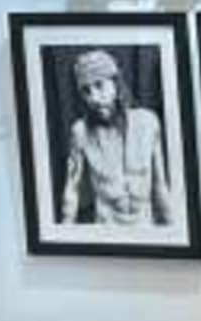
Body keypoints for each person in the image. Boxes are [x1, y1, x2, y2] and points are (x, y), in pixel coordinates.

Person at [54, 45, 176, 230]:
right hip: (107, 230)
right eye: (86, 91)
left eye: (99, 85)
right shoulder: (80, 132)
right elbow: (72, 190)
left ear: (116, 84)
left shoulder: (148, 123)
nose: (94, 98)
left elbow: (160, 186)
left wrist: (173, 229)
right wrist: (64, 233)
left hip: (145, 229)